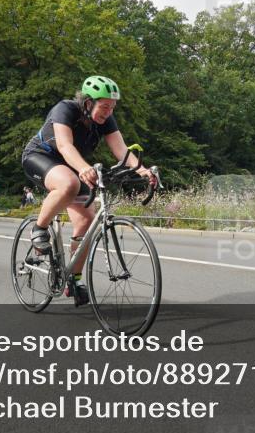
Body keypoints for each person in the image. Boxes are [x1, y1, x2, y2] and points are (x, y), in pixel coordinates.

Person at [21, 75, 157, 306]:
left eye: (112, 107)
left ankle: (73, 278)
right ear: (87, 102)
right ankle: (39, 228)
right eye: (104, 106)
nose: (108, 111)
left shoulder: (107, 120)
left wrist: (143, 171)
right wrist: (83, 168)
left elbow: (121, 150)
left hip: (72, 165)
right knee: (69, 184)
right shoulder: (65, 109)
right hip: (41, 157)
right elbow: (64, 145)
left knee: (87, 220)